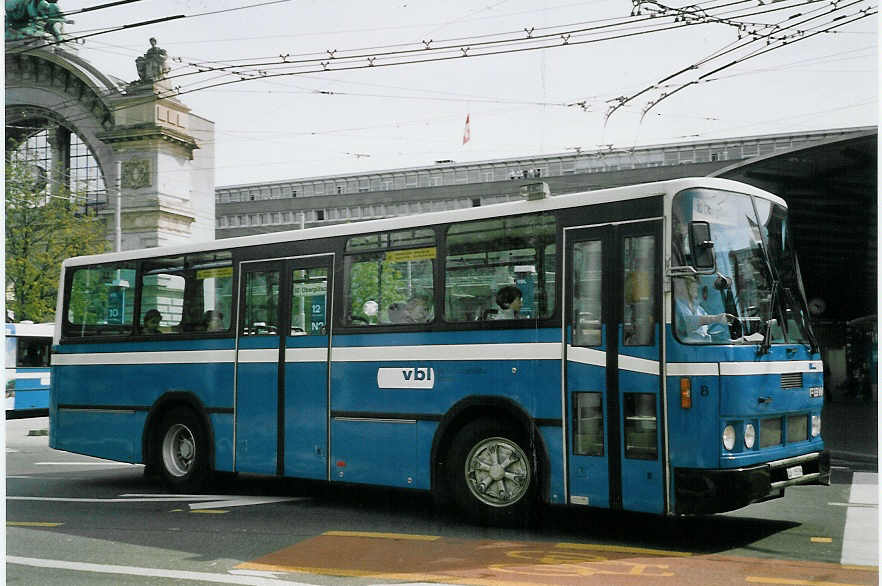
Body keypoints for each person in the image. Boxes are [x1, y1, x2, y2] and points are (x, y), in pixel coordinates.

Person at [674, 276, 733, 342]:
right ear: (682, 288)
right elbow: (685, 324)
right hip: (686, 344)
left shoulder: (698, 308)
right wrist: (715, 318)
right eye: (693, 287)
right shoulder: (676, 305)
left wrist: (728, 339)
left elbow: (710, 327)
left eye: (696, 287)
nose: (696, 290)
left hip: (703, 343)